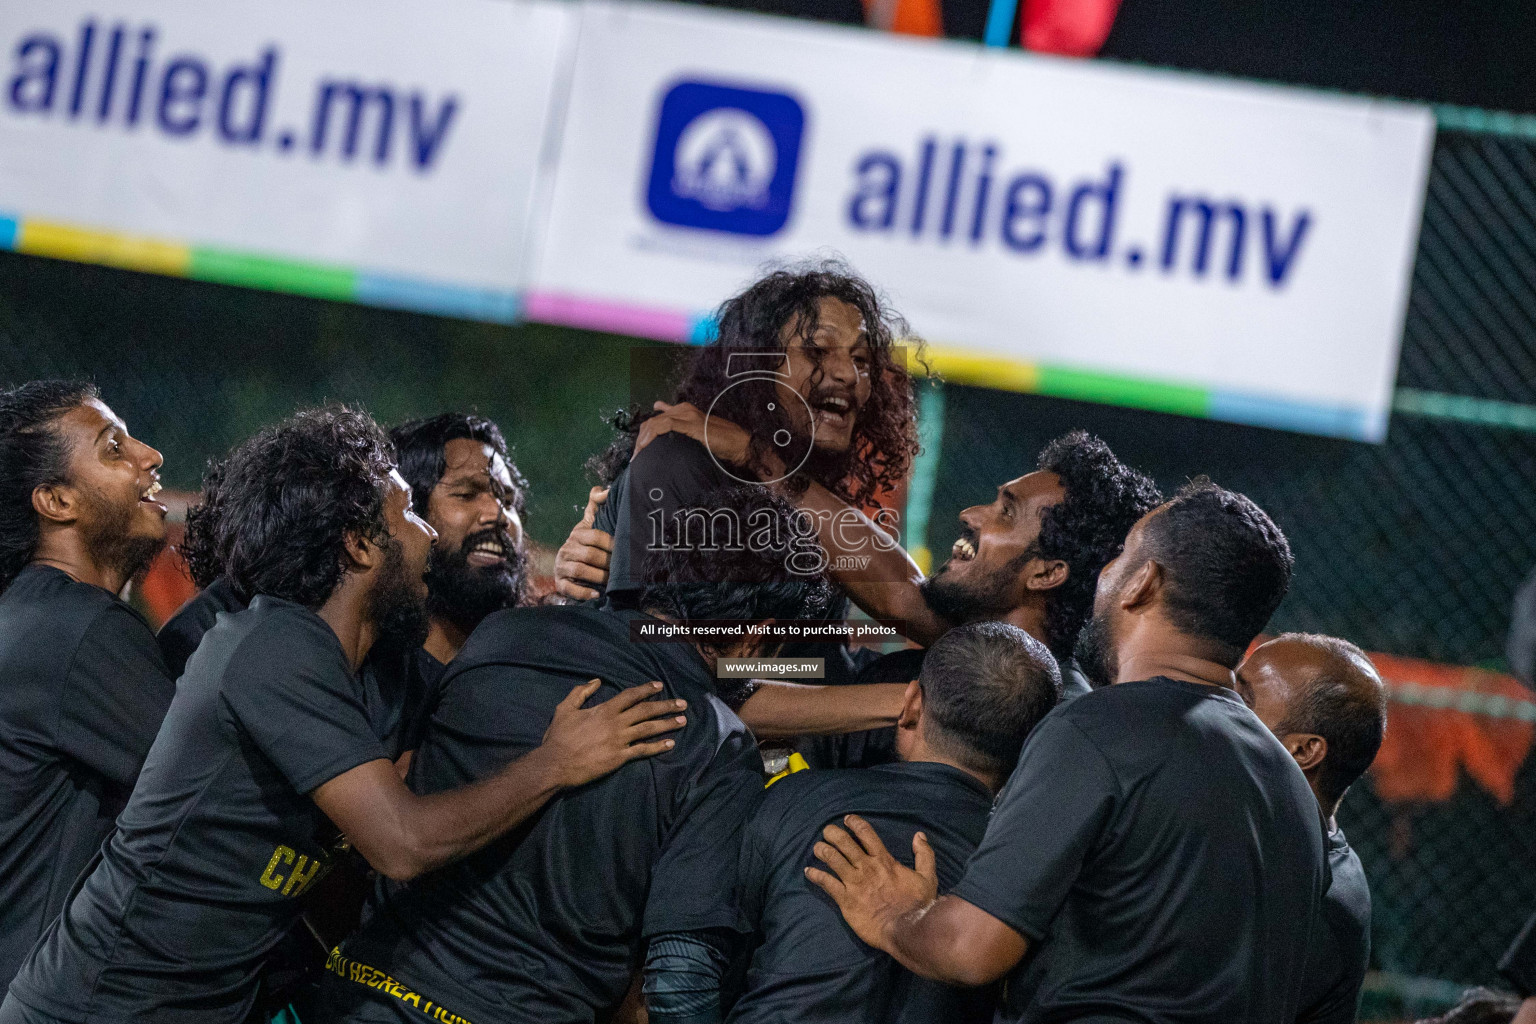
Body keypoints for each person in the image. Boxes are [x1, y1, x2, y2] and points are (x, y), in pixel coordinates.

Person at [0, 407, 685, 1024]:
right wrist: (554, 765)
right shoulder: (269, 646)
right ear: (359, 544)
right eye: (408, 513)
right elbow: (403, 843)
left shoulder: (365, 667)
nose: (423, 533)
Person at [806, 480, 1327, 1024]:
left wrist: (895, 916)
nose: (1107, 571)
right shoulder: (1292, 788)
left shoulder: (1096, 730)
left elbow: (969, 948)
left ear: (1142, 582)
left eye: (1123, 554)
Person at [316, 485, 838, 1024]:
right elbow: (679, 987)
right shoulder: (716, 748)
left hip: (354, 997)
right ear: (755, 640)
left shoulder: (499, 635)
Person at [570, 428, 1161, 765]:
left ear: (1047, 573)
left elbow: (736, 698)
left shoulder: (1057, 723)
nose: (972, 514)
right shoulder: (912, 667)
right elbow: (758, 686)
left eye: (1005, 511)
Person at [666, 622, 1061, 1024]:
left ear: (909, 705)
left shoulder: (788, 800)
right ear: (1035, 745)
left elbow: (685, 967)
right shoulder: (1035, 866)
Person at [0, 381, 177, 989]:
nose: (149, 455)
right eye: (113, 448)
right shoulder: (82, 632)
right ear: (55, 501)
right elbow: (216, 796)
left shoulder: (32, 616)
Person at [1234, 633, 1389, 1024]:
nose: (1218, 703)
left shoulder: (1311, 896)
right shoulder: (1264, 840)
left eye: (1243, 699)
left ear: (1302, 751)